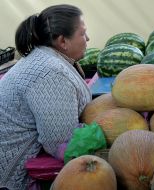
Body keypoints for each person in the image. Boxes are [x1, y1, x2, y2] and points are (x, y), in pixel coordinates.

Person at [0, 4, 91, 190]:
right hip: (14, 175)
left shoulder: (46, 58)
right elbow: (59, 143)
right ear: (62, 41)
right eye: (82, 33)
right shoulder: (50, 73)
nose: (87, 38)